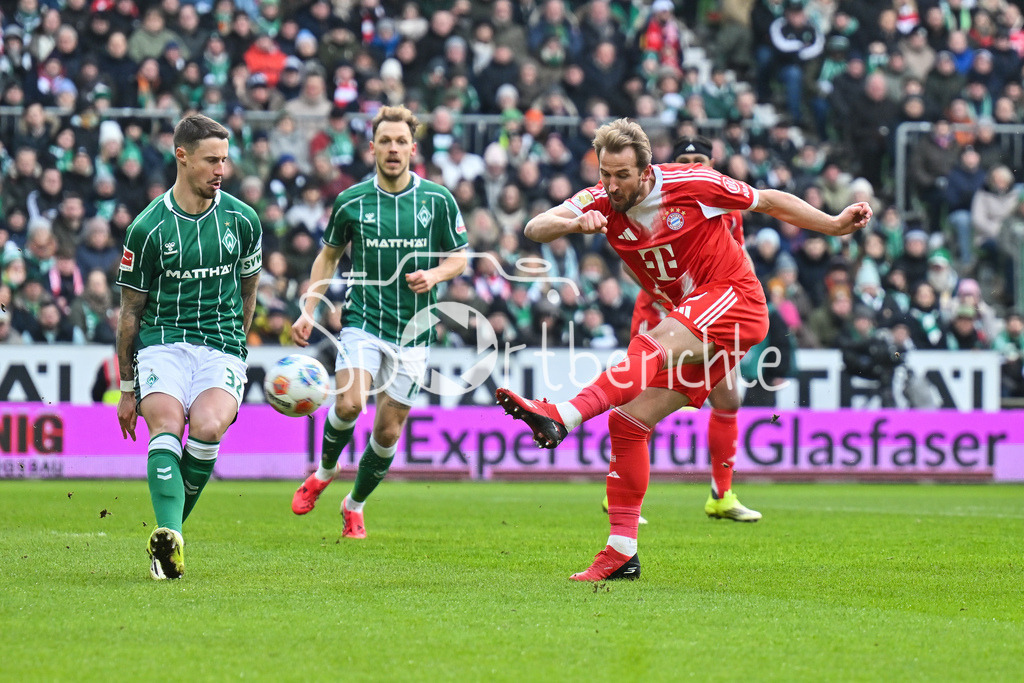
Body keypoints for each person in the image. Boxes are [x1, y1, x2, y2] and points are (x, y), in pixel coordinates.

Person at [496, 119, 871, 581]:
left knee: (650, 345)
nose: (611, 186)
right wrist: (574, 222)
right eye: (605, 174)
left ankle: (565, 415)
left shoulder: (691, 183)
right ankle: (621, 552)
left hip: (735, 297)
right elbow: (536, 226)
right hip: (697, 316)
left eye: (622, 176)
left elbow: (769, 201)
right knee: (629, 422)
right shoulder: (601, 198)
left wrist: (834, 226)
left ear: (646, 169)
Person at [289, 105, 467, 538]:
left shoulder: (437, 200)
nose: (392, 148)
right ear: (372, 148)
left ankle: (355, 505)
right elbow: (328, 257)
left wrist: (436, 274)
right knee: (350, 404)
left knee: (388, 431)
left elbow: (460, 256)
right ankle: (325, 473)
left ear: (413, 148)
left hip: (415, 329)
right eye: (384, 141)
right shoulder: (351, 201)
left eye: (400, 141)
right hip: (362, 319)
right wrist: (308, 309)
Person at [115, 114, 263, 580]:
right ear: (182, 156)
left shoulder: (242, 220)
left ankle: (168, 535)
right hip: (162, 342)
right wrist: (125, 386)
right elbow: (130, 315)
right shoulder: (147, 229)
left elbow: (249, 292)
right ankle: (170, 537)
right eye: (211, 160)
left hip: (221, 343)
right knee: (166, 422)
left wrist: (238, 350)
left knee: (208, 426)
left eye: (225, 159)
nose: (222, 169)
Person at [601, 135, 760, 524]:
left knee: (728, 398)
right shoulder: (659, 199)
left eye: (699, 158)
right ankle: (619, 489)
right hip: (660, 311)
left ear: (712, 162)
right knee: (636, 396)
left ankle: (721, 495)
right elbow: (629, 259)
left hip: (707, 311)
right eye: (685, 158)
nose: (692, 164)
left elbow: (736, 259)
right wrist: (662, 290)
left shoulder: (727, 207)